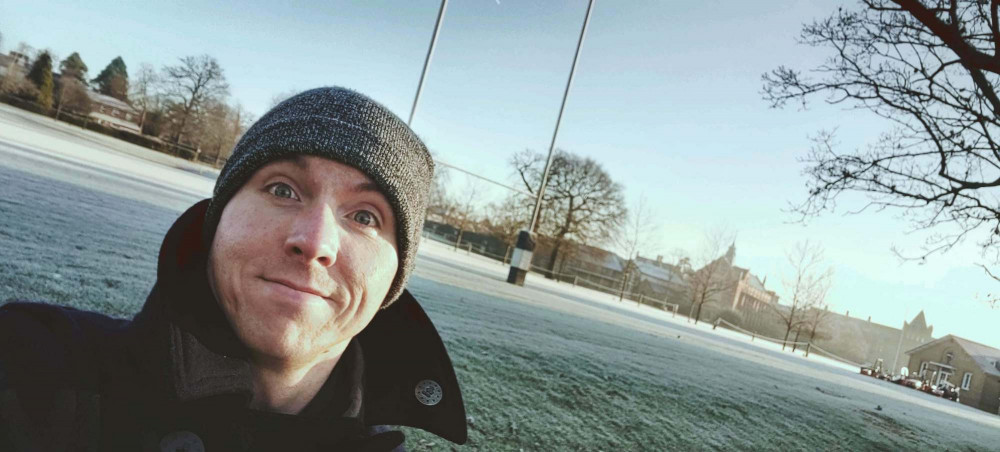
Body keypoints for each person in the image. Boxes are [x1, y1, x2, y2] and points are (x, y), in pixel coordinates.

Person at [0, 87, 467, 451]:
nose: (315, 243)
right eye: (283, 190)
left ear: (393, 282)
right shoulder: (32, 368)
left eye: (365, 217)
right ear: (217, 219)